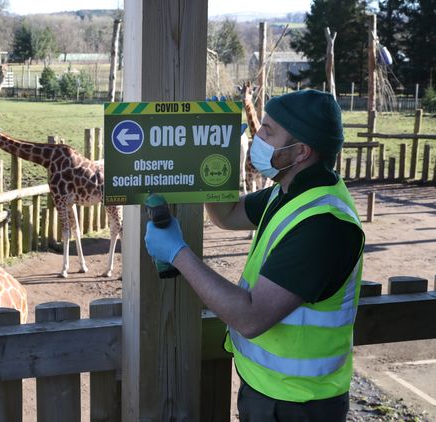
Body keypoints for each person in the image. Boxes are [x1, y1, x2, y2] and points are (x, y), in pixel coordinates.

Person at [144, 90, 365, 422]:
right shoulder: (289, 190)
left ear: (301, 151)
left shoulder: (324, 225)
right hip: (271, 392)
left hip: (299, 405)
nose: (257, 135)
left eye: (269, 131)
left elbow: (251, 317)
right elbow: (229, 214)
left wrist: (177, 253)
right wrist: (209, 159)